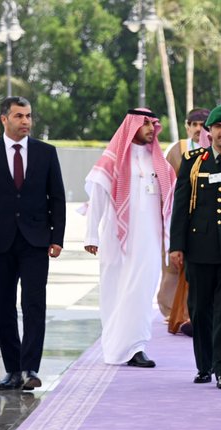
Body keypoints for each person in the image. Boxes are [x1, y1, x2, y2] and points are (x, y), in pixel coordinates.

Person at [83, 108, 176, 368]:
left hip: (149, 240)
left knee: (142, 292)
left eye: (152, 123)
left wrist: (173, 241)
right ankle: (115, 346)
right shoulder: (112, 160)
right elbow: (97, 197)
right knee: (115, 290)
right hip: (117, 238)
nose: (150, 128)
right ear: (131, 126)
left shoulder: (159, 163)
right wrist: (91, 236)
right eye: (144, 123)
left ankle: (137, 346)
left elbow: (171, 204)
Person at [169, 105, 221, 389]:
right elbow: (181, 205)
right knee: (200, 309)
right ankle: (204, 365)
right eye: (218, 127)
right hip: (199, 248)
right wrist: (176, 245)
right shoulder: (193, 162)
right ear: (209, 131)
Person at [0, 96, 66, 390]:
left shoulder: (45, 152)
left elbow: (57, 197)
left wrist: (57, 237)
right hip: (0, 242)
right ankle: (13, 370)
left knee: (34, 304)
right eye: (19, 116)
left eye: (28, 116)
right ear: (4, 119)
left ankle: (30, 369)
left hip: (35, 241)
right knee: (2, 307)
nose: (25, 121)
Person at [159, 107, 210, 332]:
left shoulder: (217, 148)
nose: (199, 129)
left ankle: (193, 314)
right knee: (173, 267)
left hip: (206, 219)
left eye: (203, 125)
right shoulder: (177, 149)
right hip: (177, 216)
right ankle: (172, 312)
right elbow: (165, 184)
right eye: (194, 124)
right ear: (187, 127)